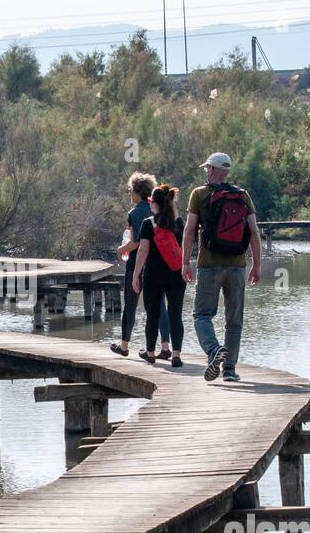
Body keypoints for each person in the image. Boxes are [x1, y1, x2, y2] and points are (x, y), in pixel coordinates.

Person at [181, 152, 262, 382]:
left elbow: (189, 230)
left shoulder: (199, 194)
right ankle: (229, 370)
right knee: (234, 320)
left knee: (201, 315)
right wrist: (256, 265)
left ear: (215, 170)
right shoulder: (242, 195)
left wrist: (185, 262)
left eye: (208, 168)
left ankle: (213, 349)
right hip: (237, 266)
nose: (206, 171)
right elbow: (254, 232)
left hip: (209, 266)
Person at [110, 171, 174, 357]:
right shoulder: (157, 208)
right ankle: (165, 347)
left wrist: (121, 249)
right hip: (158, 265)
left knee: (130, 305)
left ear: (138, 192)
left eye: (130, 190)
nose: (130, 194)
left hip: (137, 265)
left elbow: (137, 241)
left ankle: (124, 346)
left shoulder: (135, 213)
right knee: (160, 306)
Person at [131, 185, 187, 367]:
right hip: (176, 274)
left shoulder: (148, 223)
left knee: (152, 315)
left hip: (154, 275)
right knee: (176, 315)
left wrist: (136, 274)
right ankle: (176, 355)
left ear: (153, 204)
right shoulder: (179, 223)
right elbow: (185, 248)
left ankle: (150, 353)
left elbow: (143, 250)